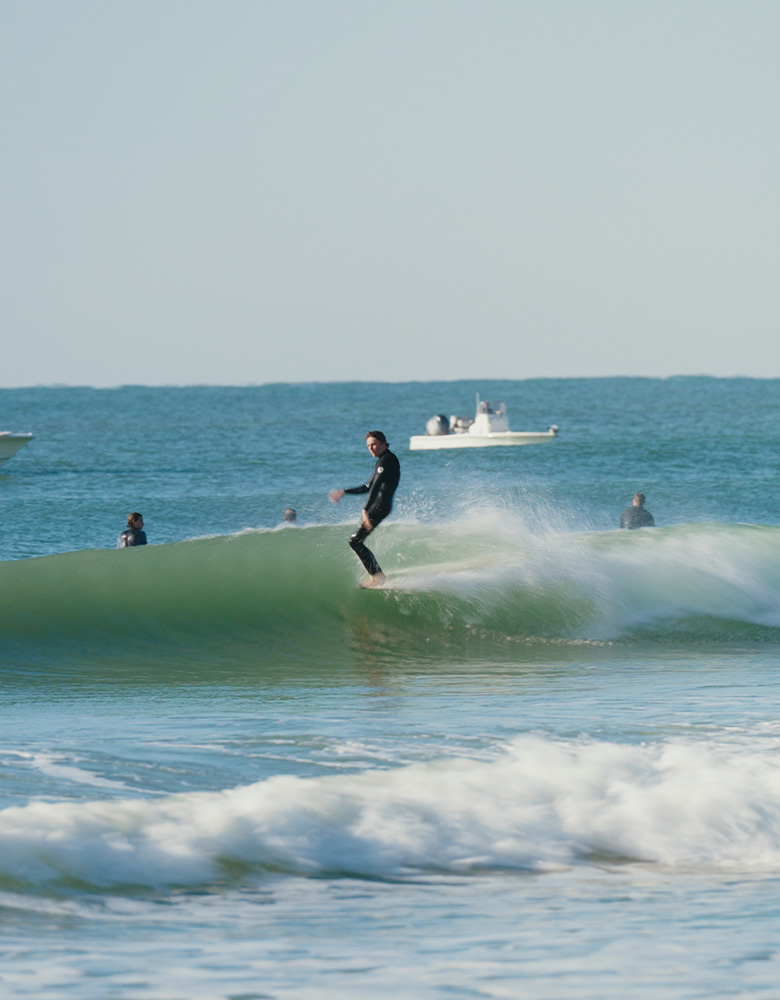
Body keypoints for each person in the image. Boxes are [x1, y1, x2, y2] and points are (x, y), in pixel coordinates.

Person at [329, 430, 401, 587]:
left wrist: (365, 510)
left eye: (374, 444)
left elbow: (375, 489)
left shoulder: (387, 460)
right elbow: (369, 486)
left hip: (380, 506)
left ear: (383, 443)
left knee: (355, 541)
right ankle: (378, 576)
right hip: (381, 506)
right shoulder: (383, 460)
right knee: (356, 541)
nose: (371, 448)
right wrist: (344, 492)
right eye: (369, 446)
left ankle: (378, 577)